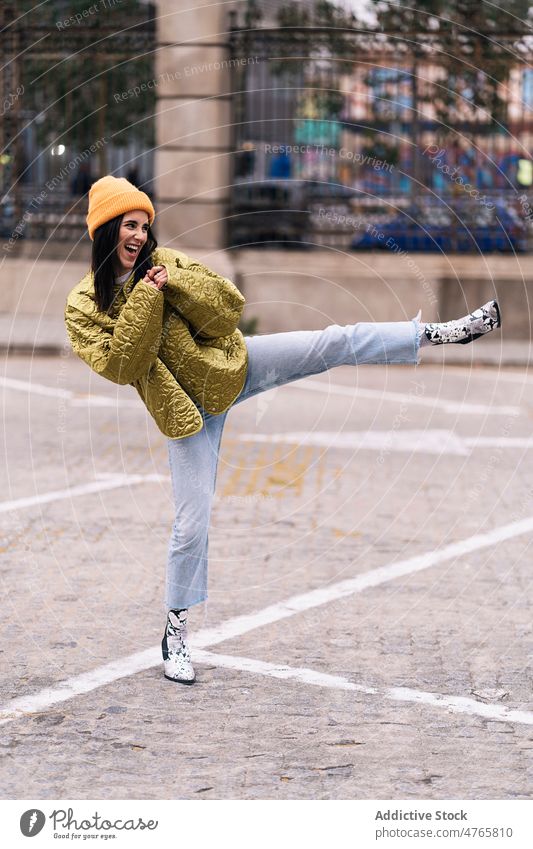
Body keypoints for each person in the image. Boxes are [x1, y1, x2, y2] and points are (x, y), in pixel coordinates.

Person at [64, 175, 502, 686]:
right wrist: (144, 297)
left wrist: (171, 281)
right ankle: (175, 634)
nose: (137, 235)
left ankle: (435, 332)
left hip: (233, 365)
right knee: (191, 524)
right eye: (127, 225)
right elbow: (122, 363)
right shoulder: (83, 306)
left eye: (143, 225)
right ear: (104, 230)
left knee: (331, 342)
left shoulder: (168, 264)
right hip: (185, 413)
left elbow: (229, 307)